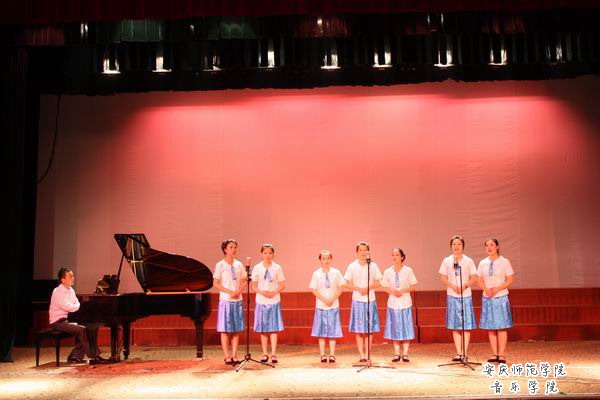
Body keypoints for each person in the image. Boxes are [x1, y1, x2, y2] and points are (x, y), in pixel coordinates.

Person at [48, 267, 104, 364]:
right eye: (70, 276)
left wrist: (75, 306)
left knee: (87, 328)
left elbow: (76, 303)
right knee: (82, 329)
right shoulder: (57, 291)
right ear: (63, 280)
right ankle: (94, 356)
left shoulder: (71, 290)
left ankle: (74, 356)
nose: (73, 278)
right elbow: (67, 307)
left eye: (73, 276)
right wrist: (75, 306)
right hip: (57, 322)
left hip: (67, 320)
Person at [438, 235, 478, 362]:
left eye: (459, 244)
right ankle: (459, 353)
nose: (456, 246)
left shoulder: (468, 261)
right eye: (454, 244)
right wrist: (453, 286)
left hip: (465, 295)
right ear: (451, 246)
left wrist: (465, 286)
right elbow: (443, 277)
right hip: (452, 295)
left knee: (466, 325)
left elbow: (474, 277)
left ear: (463, 246)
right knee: (455, 325)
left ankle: (465, 353)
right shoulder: (447, 260)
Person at [477, 238, 515, 364]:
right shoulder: (483, 263)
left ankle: (501, 354)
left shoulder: (504, 262)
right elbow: (478, 279)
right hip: (487, 297)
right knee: (491, 327)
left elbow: (510, 279)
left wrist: (497, 289)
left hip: (500, 297)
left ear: (497, 247)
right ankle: (494, 354)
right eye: (487, 245)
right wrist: (486, 289)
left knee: (501, 327)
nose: (489, 247)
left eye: (492, 245)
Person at [344, 241, 382, 363]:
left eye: (365, 250)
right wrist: (358, 289)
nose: (363, 252)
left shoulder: (373, 266)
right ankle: (361, 355)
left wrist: (368, 287)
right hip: (357, 300)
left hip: (370, 300)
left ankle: (367, 354)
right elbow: (345, 283)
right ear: (357, 252)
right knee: (359, 330)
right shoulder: (352, 266)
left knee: (369, 330)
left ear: (368, 252)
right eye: (360, 250)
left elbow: (380, 282)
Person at [212, 239, 247, 365]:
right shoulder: (220, 265)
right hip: (226, 300)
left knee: (236, 329)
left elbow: (245, 280)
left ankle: (234, 355)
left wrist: (238, 291)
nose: (234, 249)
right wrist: (229, 291)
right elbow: (215, 283)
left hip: (237, 300)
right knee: (225, 329)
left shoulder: (239, 264)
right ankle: (227, 355)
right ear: (225, 250)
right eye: (231, 247)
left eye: (235, 247)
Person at [381, 248, 417, 362]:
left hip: (405, 303)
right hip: (393, 303)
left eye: (397, 255)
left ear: (402, 257)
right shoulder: (388, 271)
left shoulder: (408, 270)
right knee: (395, 328)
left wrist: (403, 290)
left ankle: (405, 354)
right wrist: (393, 292)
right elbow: (384, 286)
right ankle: (396, 354)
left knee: (406, 328)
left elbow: (414, 286)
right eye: (393, 255)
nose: (394, 257)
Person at [251, 243, 285, 364]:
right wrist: (262, 292)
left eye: (270, 253)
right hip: (261, 301)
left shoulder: (277, 268)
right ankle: (265, 353)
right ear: (261, 254)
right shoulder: (257, 268)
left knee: (273, 329)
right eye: (265, 253)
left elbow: (282, 285)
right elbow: (253, 286)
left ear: (273, 254)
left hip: (274, 300)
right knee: (263, 329)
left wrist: (274, 292)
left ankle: (273, 354)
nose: (268, 255)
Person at [308, 250, 344, 363]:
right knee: (321, 332)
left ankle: (332, 355)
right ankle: (322, 355)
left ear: (331, 259)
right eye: (324, 258)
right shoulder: (316, 274)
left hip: (333, 305)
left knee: (333, 332)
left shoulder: (336, 273)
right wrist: (324, 300)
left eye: (328, 258)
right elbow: (314, 290)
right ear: (320, 260)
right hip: (321, 306)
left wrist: (332, 299)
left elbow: (341, 288)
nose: (326, 260)